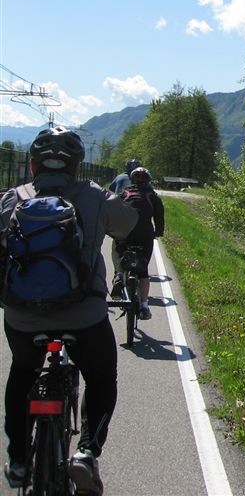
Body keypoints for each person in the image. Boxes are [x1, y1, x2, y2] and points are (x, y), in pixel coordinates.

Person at [1, 126, 137, 494]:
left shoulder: (13, 198)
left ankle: (18, 460)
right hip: (84, 317)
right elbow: (128, 225)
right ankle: (87, 453)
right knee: (102, 376)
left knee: (23, 372)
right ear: (77, 166)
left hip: (23, 318)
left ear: (32, 166)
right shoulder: (94, 195)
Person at [113, 166, 164, 320]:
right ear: (148, 180)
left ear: (132, 179)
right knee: (143, 271)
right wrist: (158, 232)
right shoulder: (152, 195)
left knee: (118, 251)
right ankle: (145, 306)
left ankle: (119, 275)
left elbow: (115, 211)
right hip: (145, 236)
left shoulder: (125, 193)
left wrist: (114, 230)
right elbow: (159, 215)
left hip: (125, 234)